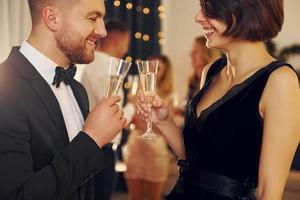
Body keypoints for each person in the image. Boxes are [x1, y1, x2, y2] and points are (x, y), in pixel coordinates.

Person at [136, 0, 300, 199]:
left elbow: (269, 192)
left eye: (209, 10)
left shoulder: (280, 81)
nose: (198, 17)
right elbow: (194, 159)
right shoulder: (212, 71)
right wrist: (163, 120)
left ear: (243, 11)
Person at [0, 0, 127, 199]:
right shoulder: (4, 89)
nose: (102, 31)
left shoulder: (78, 90)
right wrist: (92, 138)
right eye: (92, 18)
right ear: (52, 18)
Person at [80, 19, 134, 200]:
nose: (126, 49)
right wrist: (133, 104)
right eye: (126, 43)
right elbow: (114, 116)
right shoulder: (107, 69)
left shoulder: (92, 64)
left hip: (93, 146)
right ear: (118, 41)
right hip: (102, 149)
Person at [124, 55, 174, 200]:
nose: (153, 71)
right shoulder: (134, 94)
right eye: (150, 67)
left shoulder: (169, 96)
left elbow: (164, 129)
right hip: (136, 147)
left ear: (165, 72)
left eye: (158, 68)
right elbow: (131, 123)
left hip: (156, 151)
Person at [186, 36, 220, 103]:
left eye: (195, 51)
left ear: (207, 53)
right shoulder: (193, 80)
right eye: (192, 51)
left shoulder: (217, 79)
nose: (191, 55)